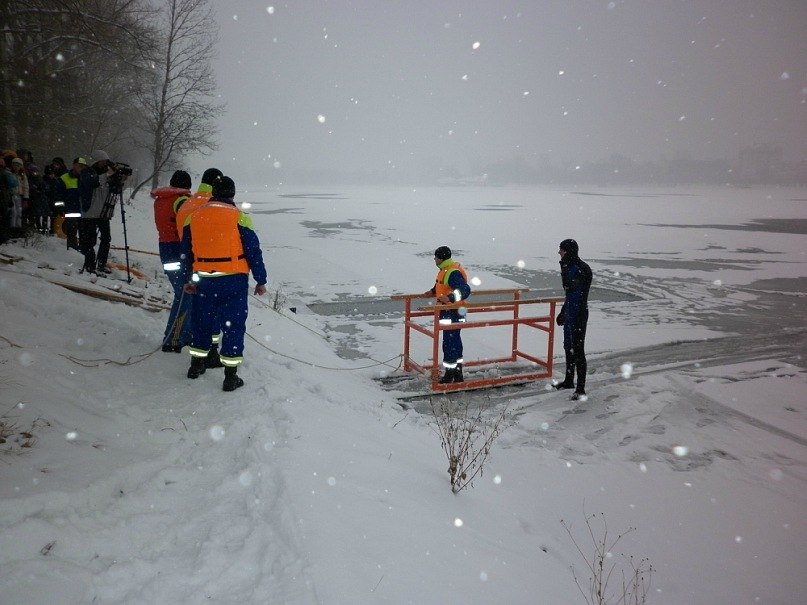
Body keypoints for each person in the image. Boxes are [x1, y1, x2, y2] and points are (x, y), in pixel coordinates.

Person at [180, 176, 267, 392]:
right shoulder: (240, 218)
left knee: (202, 321)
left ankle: (196, 365)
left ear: (213, 193)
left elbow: (186, 253)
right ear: (233, 194)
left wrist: (188, 279)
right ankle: (230, 377)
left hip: (203, 279)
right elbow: (253, 251)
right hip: (233, 280)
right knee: (233, 325)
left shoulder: (194, 217)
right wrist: (261, 280)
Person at [151, 170, 193, 352]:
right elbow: (187, 229)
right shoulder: (180, 201)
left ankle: (181, 335)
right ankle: (174, 339)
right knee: (185, 295)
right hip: (178, 250)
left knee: (183, 293)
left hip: (166, 249)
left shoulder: (162, 199)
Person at [425, 245, 472, 384]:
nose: (434, 259)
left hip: (453, 311)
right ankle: (457, 374)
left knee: (450, 343)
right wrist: (432, 292)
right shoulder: (444, 271)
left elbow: (465, 289)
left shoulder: (452, 272)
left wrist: (451, 298)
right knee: (453, 341)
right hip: (448, 311)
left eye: (436, 257)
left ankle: (450, 375)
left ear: (442, 258)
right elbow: (442, 286)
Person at [554, 239, 593, 400]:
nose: (559, 253)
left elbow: (577, 293)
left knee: (578, 350)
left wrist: (571, 313)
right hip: (570, 311)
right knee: (568, 346)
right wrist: (563, 312)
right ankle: (569, 380)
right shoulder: (568, 266)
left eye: (561, 250)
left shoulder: (582, 269)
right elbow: (569, 294)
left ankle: (580, 388)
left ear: (568, 251)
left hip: (579, 314)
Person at [78, 150, 124, 275]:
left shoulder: (106, 174)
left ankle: (101, 263)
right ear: (96, 161)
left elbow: (116, 190)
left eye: (105, 162)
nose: (104, 164)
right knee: (89, 241)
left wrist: (119, 180)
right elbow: (91, 183)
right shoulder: (86, 172)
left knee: (106, 239)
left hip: (104, 213)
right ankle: (90, 264)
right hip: (90, 213)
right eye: (102, 161)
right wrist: (107, 176)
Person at [57, 157, 85, 251]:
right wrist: (60, 208)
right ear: (74, 166)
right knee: (72, 233)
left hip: (84, 212)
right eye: (79, 166)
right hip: (71, 211)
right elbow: (58, 196)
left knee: (84, 234)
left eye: (83, 166)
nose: (81, 168)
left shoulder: (86, 178)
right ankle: (72, 252)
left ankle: (82, 250)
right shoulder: (64, 178)